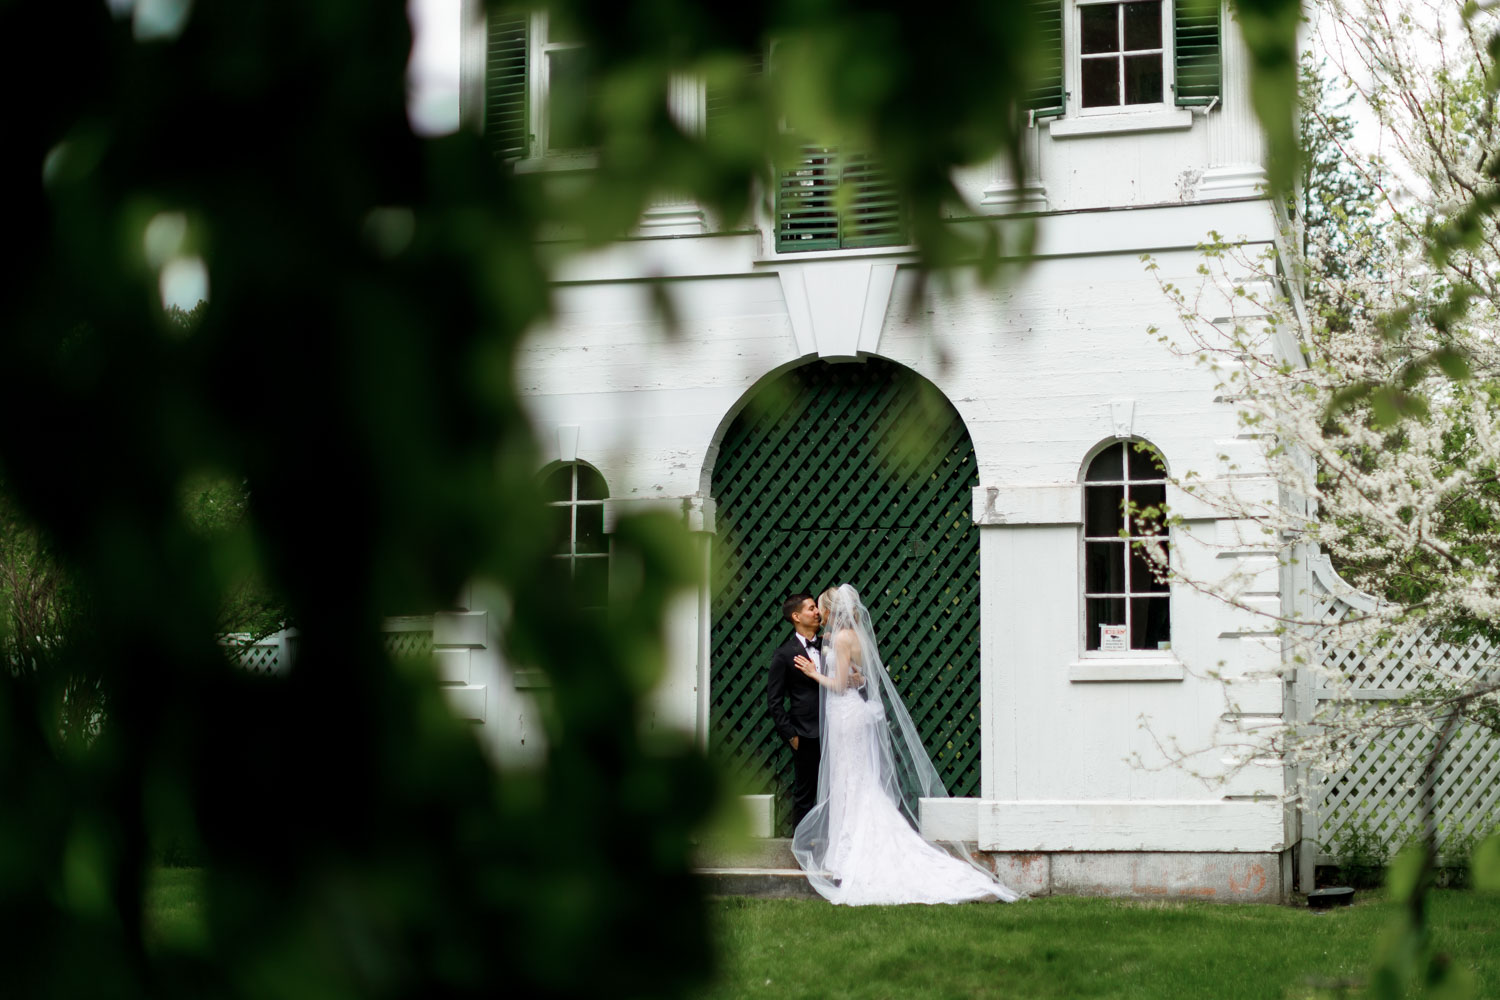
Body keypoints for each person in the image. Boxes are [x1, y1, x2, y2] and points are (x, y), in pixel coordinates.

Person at [788, 584, 1021, 905]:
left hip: (845, 714)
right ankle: (849, 845)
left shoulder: (841, 639)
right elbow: (861, 677)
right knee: (855, 778)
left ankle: (852, 849)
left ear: (832, 611)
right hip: (854, 714)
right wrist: (855, 677)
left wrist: (815, 673)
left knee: (849, 779)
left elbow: (840, 685)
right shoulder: (855, 638)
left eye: (823, 609)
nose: (821, 614)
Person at [765, 592, 824, 830]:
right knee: (805, 794)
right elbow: (774, 701)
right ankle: (804, 848)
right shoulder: (784, 654)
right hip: (805, 734)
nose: (817, 612)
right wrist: (791, 735)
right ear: (796, 616)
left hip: (837, 729)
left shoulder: (830, 645)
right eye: (811, 608)